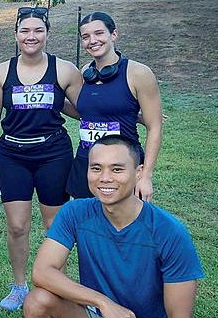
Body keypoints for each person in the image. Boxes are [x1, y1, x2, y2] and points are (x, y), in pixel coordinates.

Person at [23, 135, 204, 318]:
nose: (105, 178)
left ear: (139, 172)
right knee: (36, 302)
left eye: (117, 169)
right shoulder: (75, 212)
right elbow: (42, 272)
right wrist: (103, 302)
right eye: (96, 168)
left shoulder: (168, 231)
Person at [0, 7, 83, 312]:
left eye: (38, 30)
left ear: (47, 34)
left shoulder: (65, 70)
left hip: (53, 153)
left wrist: (135, 113)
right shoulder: (2, 71)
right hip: (12, 154)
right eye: (25, 30)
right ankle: (19, 286)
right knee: (16, 226)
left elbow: (86, 110)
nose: (31, 36)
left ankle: (59, 287)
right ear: (15, 34)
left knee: (54, 225)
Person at [66, 12, 163, 201]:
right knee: (87, 225)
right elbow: (87, 112)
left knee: (123, 226)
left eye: (99, 33)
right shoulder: (86, 72)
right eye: (85, 37)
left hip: (122, 166)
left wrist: (146, 176)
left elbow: (155, 127)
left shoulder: (138, 73)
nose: (92, 40)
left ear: (114, 35)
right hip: (87, 162)